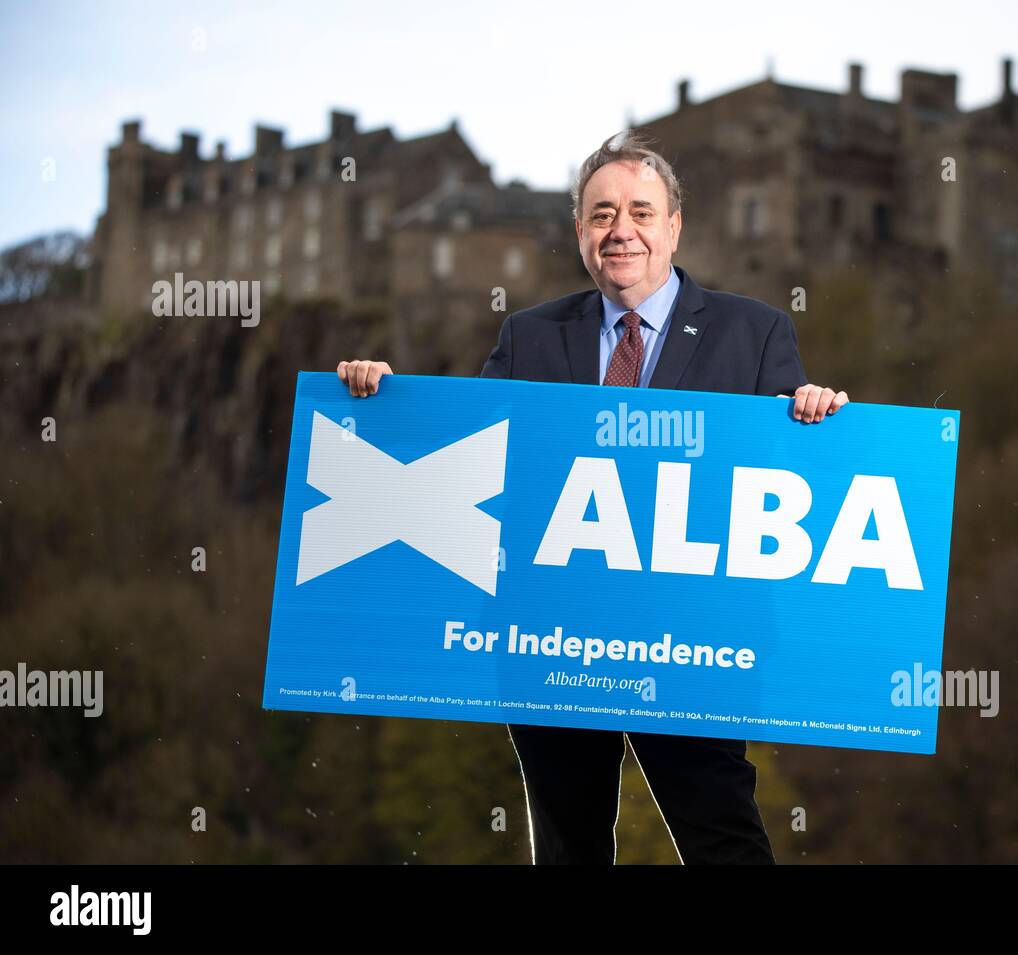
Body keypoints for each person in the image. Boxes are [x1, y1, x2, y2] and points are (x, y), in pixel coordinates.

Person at [336, 131, 849, 865]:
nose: (621, 230)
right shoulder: (529, 337)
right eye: (602, 213)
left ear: (674, 227)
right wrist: (385, 402)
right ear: (580, 231)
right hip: (555, 636)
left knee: (724, 840)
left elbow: (786, 479)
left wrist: (815, 412)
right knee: (569, 847)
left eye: (641, 211)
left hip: (693, 640)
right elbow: (469, 456)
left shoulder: (756, 331)